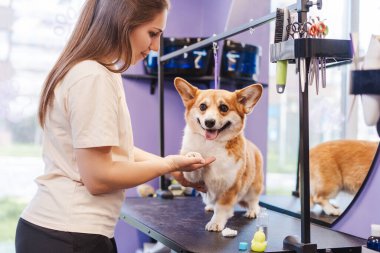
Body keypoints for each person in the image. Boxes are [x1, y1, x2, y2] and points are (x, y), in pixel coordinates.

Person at [15, 0, 215, 252]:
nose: (155, 47)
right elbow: (98, 177)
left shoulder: (96, 71)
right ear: (124, 22)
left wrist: (172, 169)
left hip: (60, 230)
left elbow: (117, 150)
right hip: (69, 234)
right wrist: (170, 164)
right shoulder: (93, 76)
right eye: (152, 34)